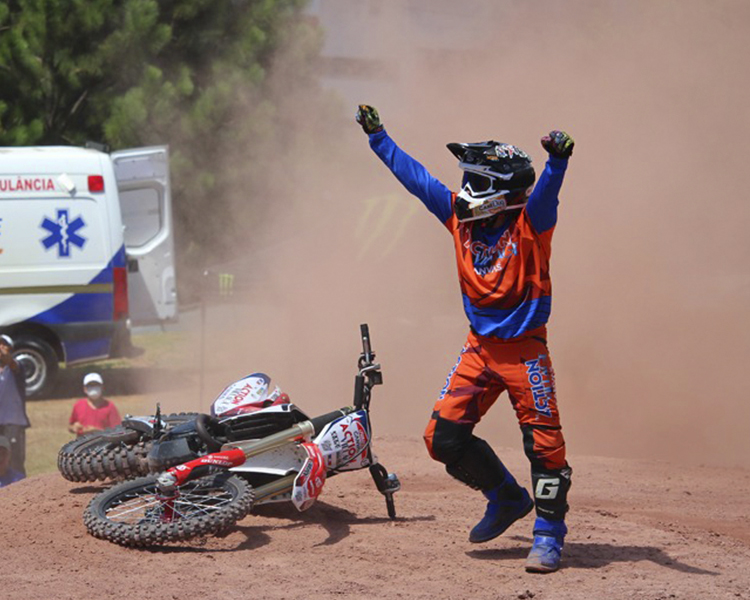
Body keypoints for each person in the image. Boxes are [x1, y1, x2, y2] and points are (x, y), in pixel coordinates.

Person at [356, 105, 574, 573]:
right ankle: (506, 497)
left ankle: (549, 537)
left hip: (525, 353)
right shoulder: (459, 217)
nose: (464, 188)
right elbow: (417, 180)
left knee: (545, 445)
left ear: (497, 190)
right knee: (442, 439)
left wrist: (557, 162)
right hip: (479, 350)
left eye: (474, 180)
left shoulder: (531, 224)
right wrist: (379, 138)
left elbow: (549, 193)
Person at [0, 334, 30, 476]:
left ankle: (20, 493)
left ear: (11, 349)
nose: (1, 347)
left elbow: (10, 362)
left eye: (4, 345)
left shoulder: (17, 366)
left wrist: (5, 356)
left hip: (13, 422)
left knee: (15, 461)